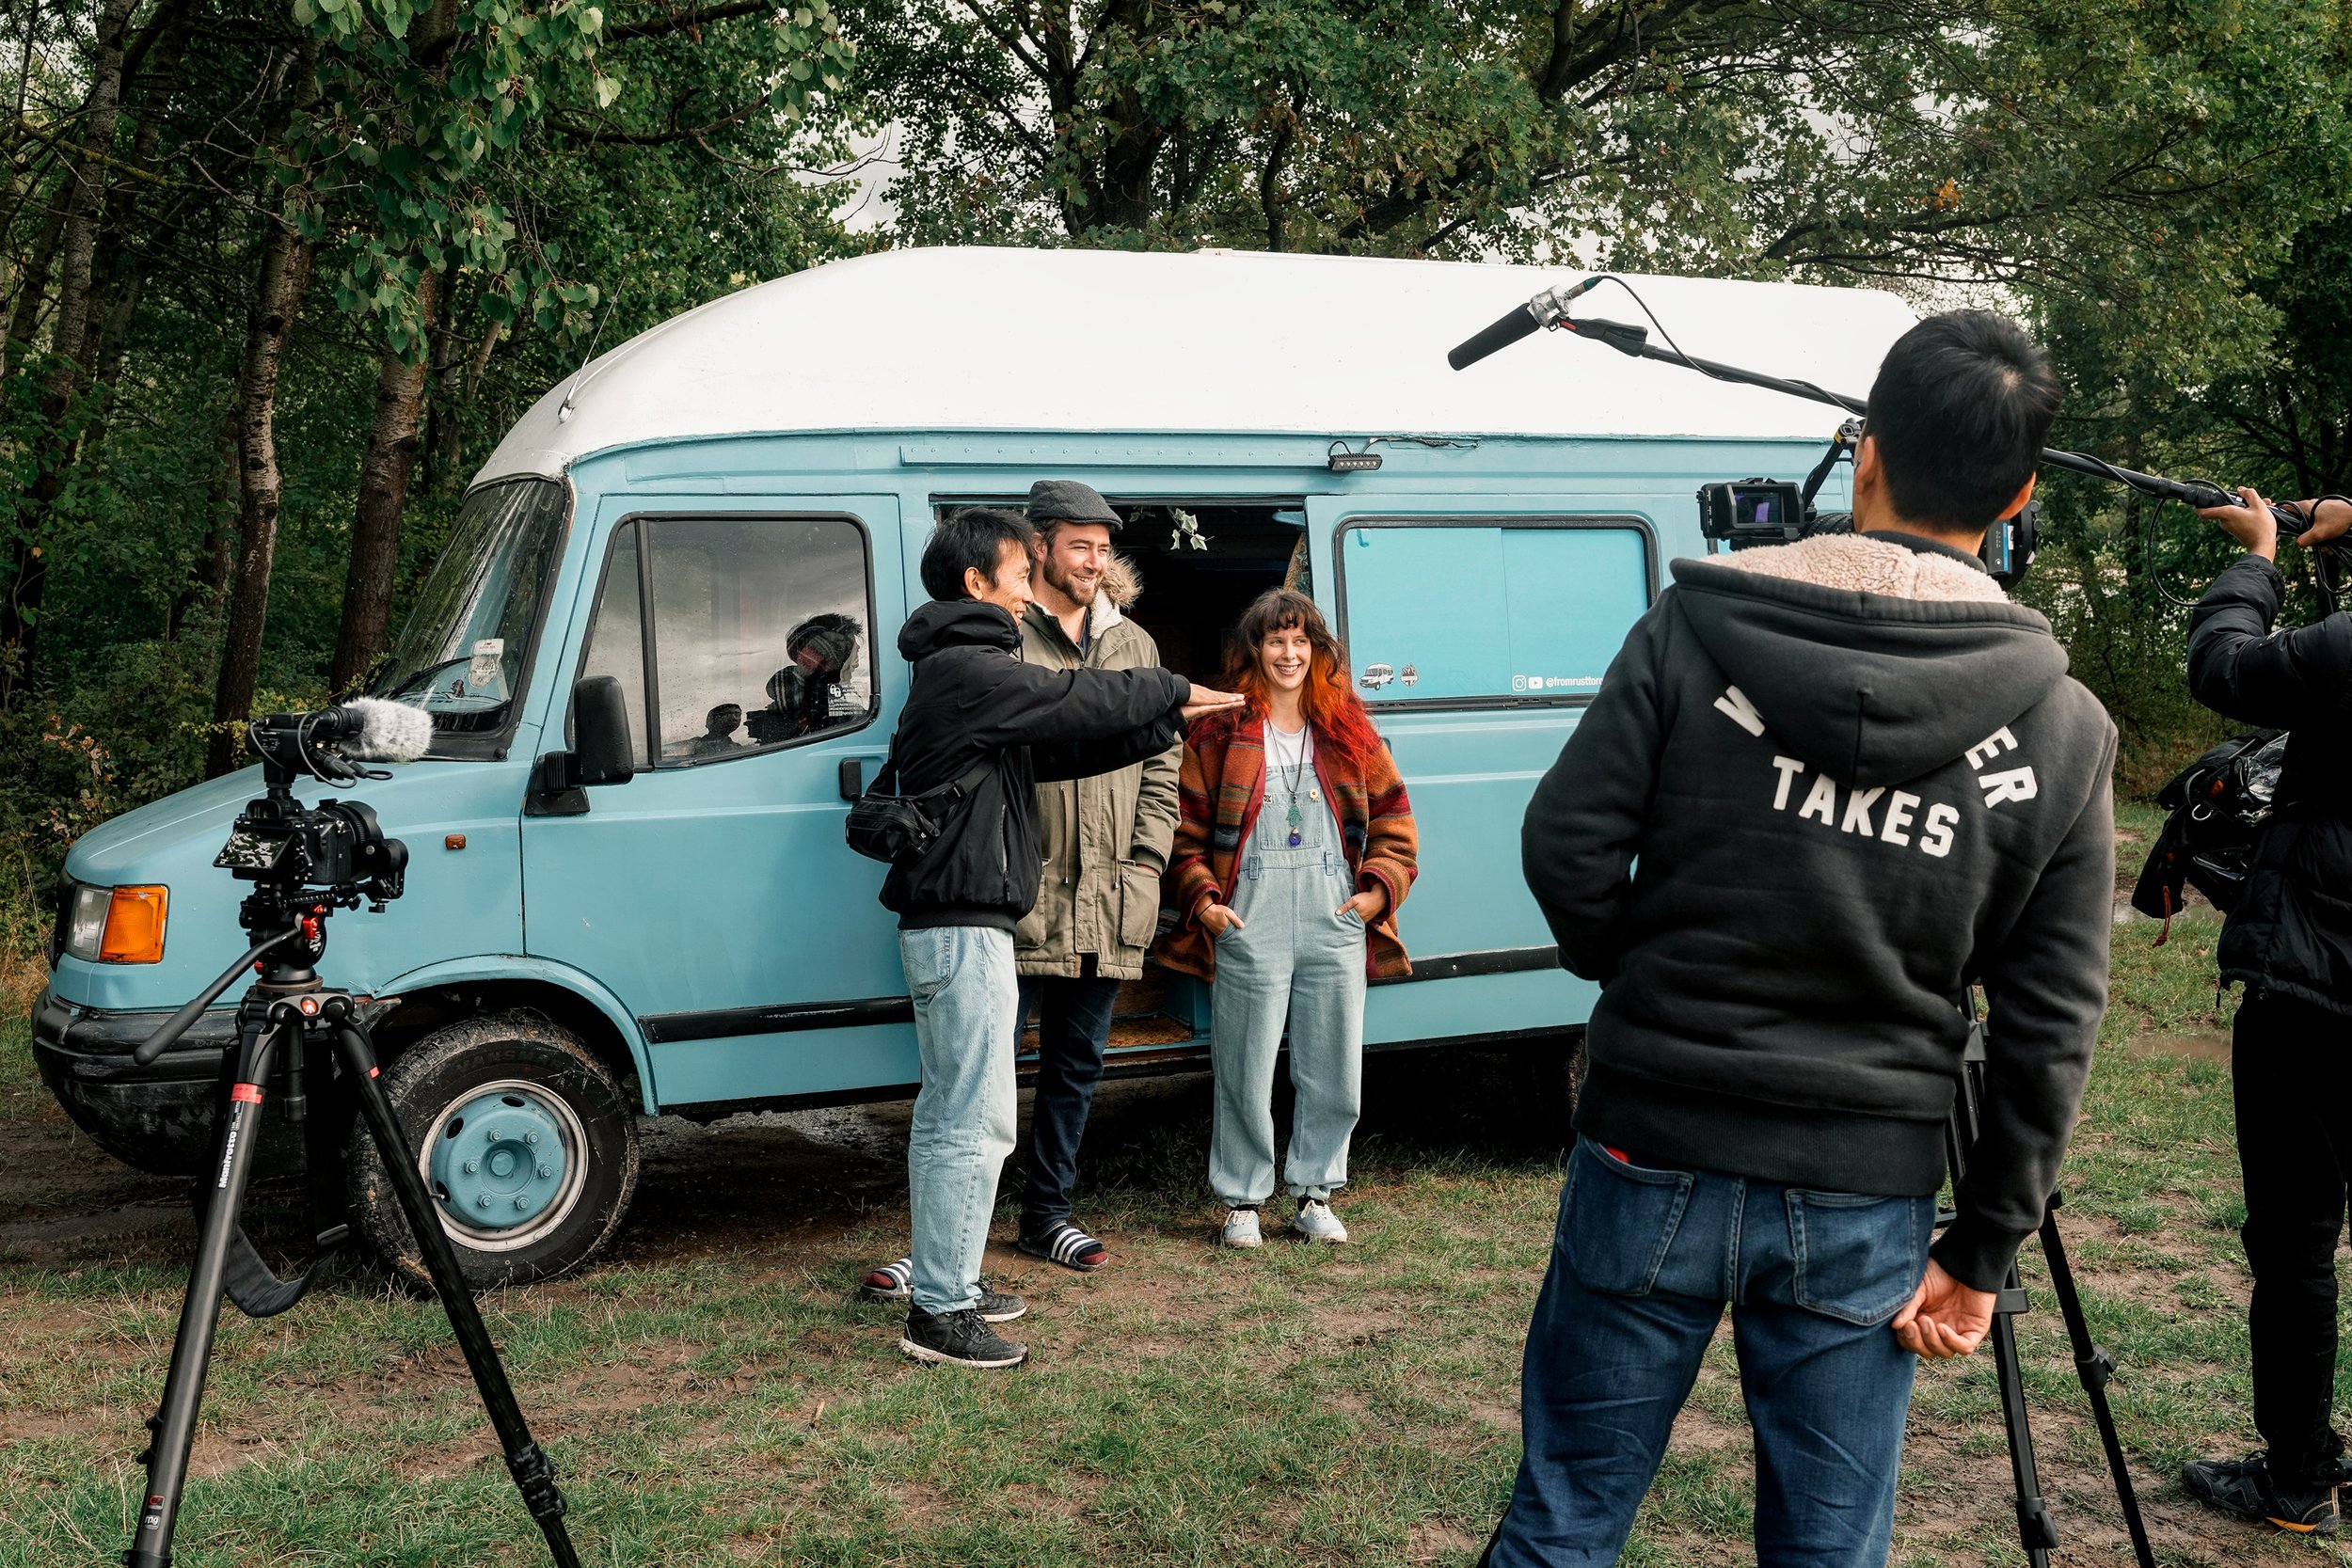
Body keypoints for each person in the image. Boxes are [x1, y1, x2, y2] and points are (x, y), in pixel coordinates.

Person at [1493, 309, 2117, 1567]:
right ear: (2020, 492)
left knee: (1566, 1516)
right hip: (1862, 1183)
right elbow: (2052, 1020)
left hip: (1648, 1137)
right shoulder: (2061, 724)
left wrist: (1642, 972)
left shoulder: (1689, 632)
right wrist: (1982, 1243)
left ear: (1867, 449)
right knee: (1828, 1547)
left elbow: (1565, 845)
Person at [876, 506, 1242, 1370]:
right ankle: (941, 1310)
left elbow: (1058, 752)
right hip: (963, 928)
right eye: (1015, 572)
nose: (1025, 584)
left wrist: (1163, 726)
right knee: (974, 1120)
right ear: (978, 584)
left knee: (954, 1115)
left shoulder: (962, 669)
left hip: (960, 925)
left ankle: (949, 1279)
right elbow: (1076, 696)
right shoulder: (971, 665)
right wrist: (1171, 688)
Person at [2179, 485, 2352, 1534]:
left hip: (2316, 989)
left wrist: (2256, 558)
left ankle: (2296, 1476)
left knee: (2294, 1239)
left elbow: (2226, 670)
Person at [1155, 588, 1417, 1248]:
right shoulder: (1218, 730)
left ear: (1318, 651)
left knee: (1333, 1063)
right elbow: (1181, 832)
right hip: (1251, 911)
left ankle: (1315, 1192)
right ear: (1254, 650)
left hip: (1334, 908)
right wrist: (1208, 904)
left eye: (1301, 640)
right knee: (1242, 1062)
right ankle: (1242, 1199)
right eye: (1276, 640)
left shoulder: (1348, 726)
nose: (1289, 653)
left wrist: (1374, 895)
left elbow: (1393, 821)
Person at [748, 612, 862, 744]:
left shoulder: (788, 705)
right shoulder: (829, 713)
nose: (856, 663)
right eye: (852, 654)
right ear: (831, 662)